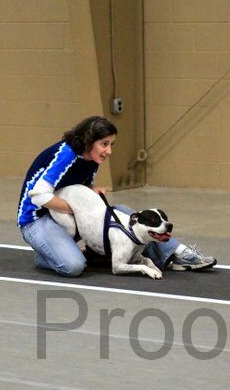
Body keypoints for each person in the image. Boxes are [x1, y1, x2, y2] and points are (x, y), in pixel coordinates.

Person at [17, 116, 217, 277]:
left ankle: (178, 253)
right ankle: (48, 256)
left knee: (126, 214)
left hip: (67, 215)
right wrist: (77, 208)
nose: (109, 151)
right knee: (74, 266)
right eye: (104, 144)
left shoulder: (92, 159)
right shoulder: (65, 155)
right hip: (36, 220)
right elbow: (38, 197)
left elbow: (75, 184)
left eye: (111, 144)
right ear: (88, 142)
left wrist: (91, 189)